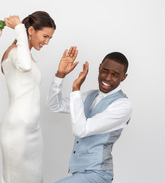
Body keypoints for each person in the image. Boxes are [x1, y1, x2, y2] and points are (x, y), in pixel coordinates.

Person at [47, 47, 132, 183]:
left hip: (98, 174)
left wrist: (76, 89)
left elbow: (81, 130)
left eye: (115, 74)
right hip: (78, 173)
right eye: (105, 71)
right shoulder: (90, 95)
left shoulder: (122, 105)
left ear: (124, 77)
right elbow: (55, 105)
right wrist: (60, 75)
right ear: (99, 68)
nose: (107, 78)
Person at [0, 11, 56, 183]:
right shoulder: (15, 53)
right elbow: (24, 66)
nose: (46, 42)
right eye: (45, 36)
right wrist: (18, 28)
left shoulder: (26, 54)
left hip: (33, 130)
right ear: (30, 31)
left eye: (50, 38)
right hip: (17, 128)